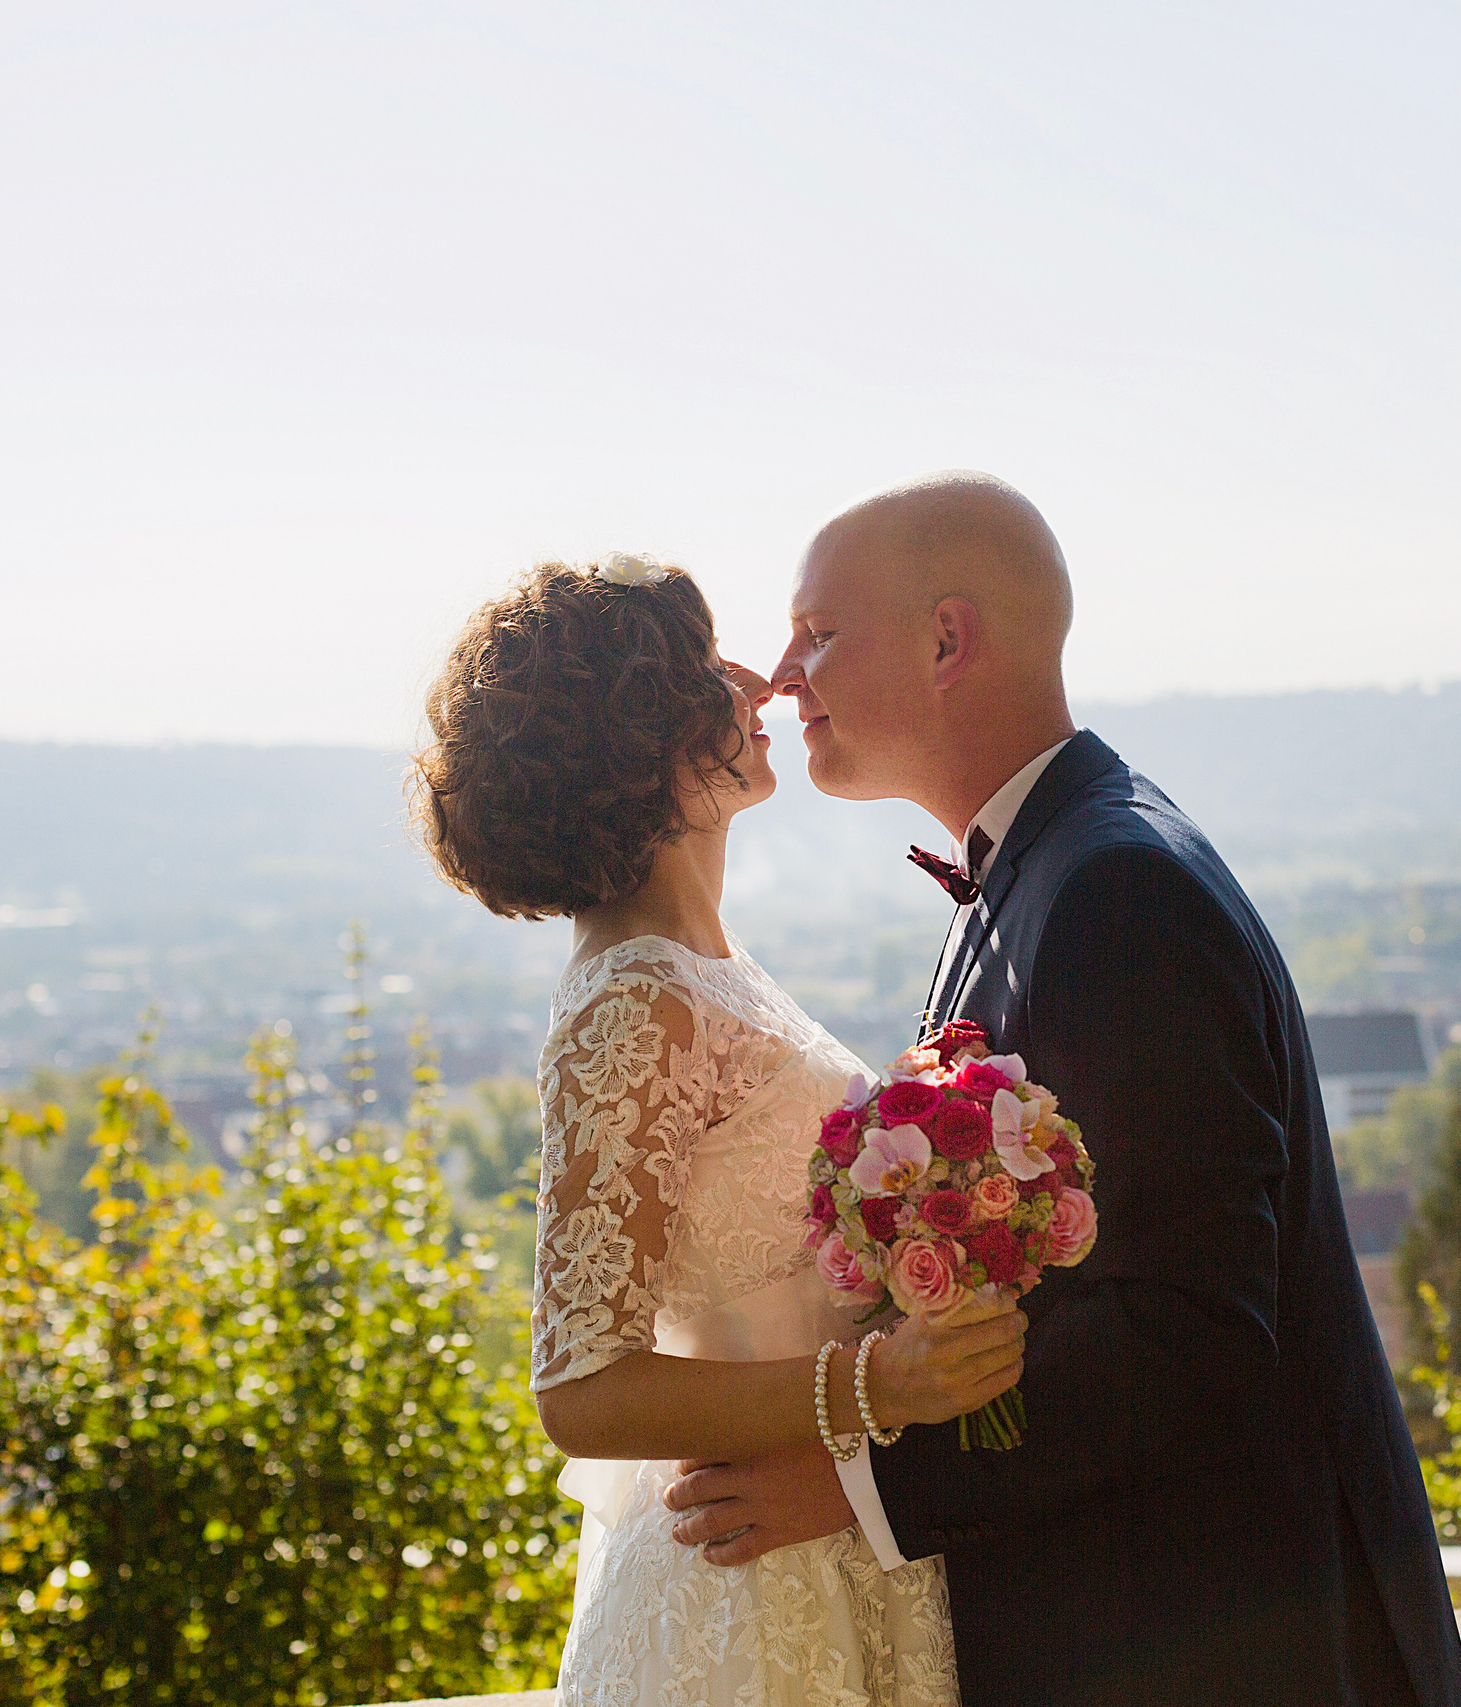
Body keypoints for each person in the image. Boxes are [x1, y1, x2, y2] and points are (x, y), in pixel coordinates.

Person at [661, 475, 1461, 1707]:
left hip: (1225, 1652)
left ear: (948, 640)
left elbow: (1191, 1328)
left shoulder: (1117, 893)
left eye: (818, 630)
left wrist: (857, 1486)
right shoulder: (1039, 868)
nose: (782, 675)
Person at [411, 555, 1024, 1705]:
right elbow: (580, 1388)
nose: (755, 680)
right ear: (630, 740)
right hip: (742, 1600)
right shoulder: (632, 1001)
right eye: (701, 667)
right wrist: (877, 1388)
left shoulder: (704, 966)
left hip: (826, 1552)